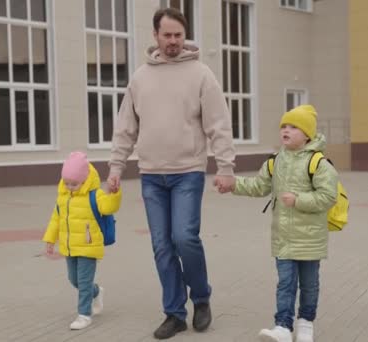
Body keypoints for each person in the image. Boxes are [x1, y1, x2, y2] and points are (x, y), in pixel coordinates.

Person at [106, 7, 236, 340]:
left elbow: (218, 124)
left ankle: (202, 298)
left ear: (185, 36)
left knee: (184, 238)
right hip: (151, 175)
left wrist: (226, 167)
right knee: (162, 247)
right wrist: (116, 167)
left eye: (179, 35)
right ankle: (175, 313)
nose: (174, 41)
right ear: (156, 36)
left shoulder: (202, 74)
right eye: (168, 35)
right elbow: (125, 127)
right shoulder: (140, 77)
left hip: (187, 173)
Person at [222, 105, 338, 342]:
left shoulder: (318, 163)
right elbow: (259, 187)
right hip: (283, 237)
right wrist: (233, 184)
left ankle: (305, 324)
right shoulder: (275, 162)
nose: (286, 130)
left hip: (310, 239)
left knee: (309, 285)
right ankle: (283, 327)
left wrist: (299, 200)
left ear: (307, 134)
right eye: (284, 126)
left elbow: (328, 196)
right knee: (285, 283)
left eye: (293, 127)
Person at [42, 151, 122, 331]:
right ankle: (96, 292)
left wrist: (115, 194)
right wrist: (50, 239)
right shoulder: (63, 197)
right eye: (67, 183)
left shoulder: (96, 195)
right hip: (69, 246)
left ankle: (84, 315)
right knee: (74, 279)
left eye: (74, 184)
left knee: (83, 282)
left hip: (88, 245)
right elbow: (56, 219)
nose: (70, 187)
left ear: (85, 179)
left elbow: (110, 207)